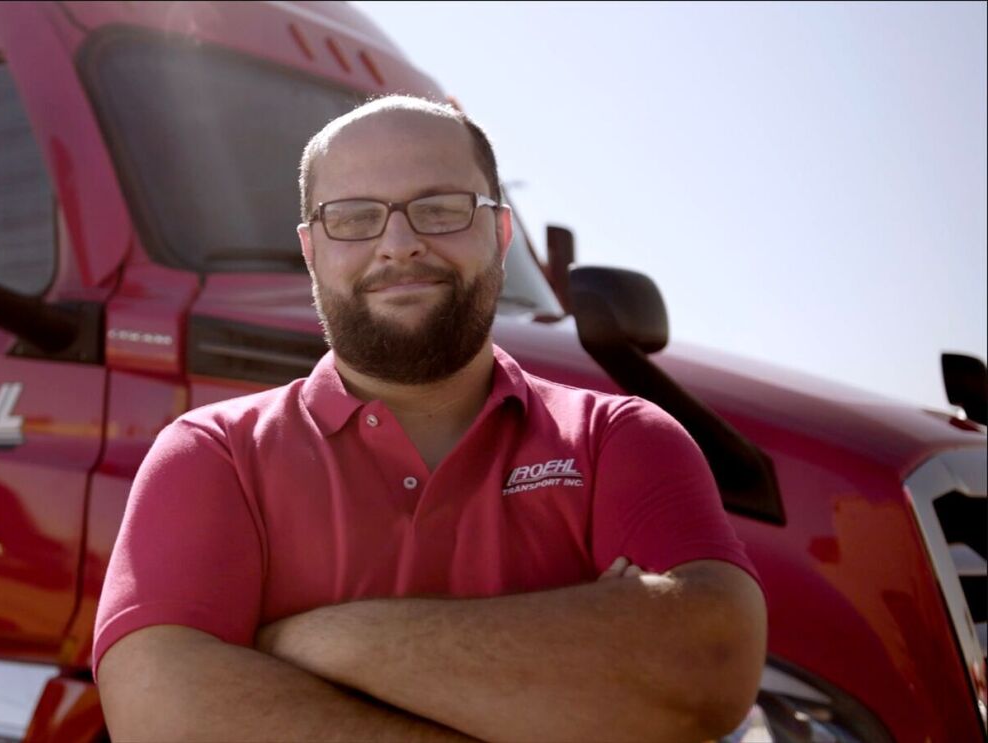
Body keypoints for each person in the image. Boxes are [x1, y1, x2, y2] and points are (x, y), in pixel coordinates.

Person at [93, 95, 767, 741]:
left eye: (440, 209)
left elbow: (705, 668)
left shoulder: (620, 438)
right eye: (353, 218)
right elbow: (164, 718)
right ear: (311, 250)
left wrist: (316, 640)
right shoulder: (214, 456)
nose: (399, 243)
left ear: (501, 233)